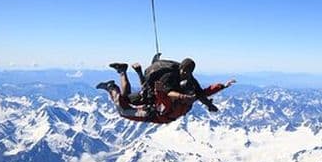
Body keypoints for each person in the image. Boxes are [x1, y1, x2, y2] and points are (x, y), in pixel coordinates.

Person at [96, 58, 235, 124]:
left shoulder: (190, 85)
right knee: (123, 110)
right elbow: (163, 96)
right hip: (154, 111)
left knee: (125, 99)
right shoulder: (173, 90)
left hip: (154, 104)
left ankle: (122, 72)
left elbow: (203, 93)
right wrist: (182, 97)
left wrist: (222, 87)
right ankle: (111, 87)